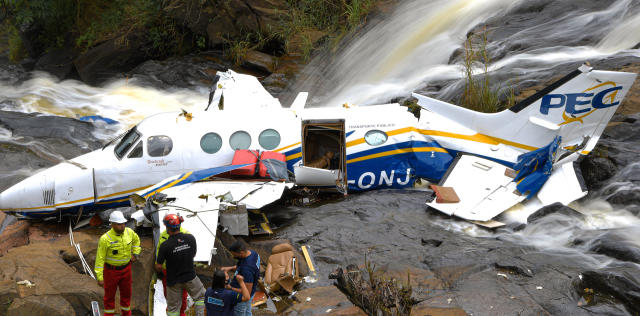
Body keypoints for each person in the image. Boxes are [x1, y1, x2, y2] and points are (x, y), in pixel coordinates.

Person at [155, 214, 206, 316]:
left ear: (167, 227)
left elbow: (159, 266)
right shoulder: (190, 238)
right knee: (200, 297)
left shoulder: (165, 245)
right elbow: (193, 254)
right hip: (190, 277)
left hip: (173, 280)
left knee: (173, 309)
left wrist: (159, 273)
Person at [94, 210, 141, 316]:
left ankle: (126, 314)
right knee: (109, 297)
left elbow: (136, 240)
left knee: (126, 295)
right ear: (112, 224)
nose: (122, 226)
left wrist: (135, 254)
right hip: (111, 272)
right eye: (119, 224)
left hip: (126, 269)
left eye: (123, 223)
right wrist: (100, 277)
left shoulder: (129, 232)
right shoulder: (105, 239)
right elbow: (100, 258)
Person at [157, 218, 190, 316]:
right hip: (167, 271)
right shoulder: (163, 235)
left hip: (180, 271)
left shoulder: (186, 235)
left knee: (182, 296)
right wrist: (159, 266)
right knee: (169, 295)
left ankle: (180, 313)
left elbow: (189, 253)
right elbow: (159, 250)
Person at [221, 241, 260, 316]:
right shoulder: (253, 253)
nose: (233, 255)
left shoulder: (247, 269)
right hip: (251, 292)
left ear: (241, 252)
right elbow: (241, 266)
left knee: (239, 313)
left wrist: (230, 288)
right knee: (248, 312)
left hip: (242, 297)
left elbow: (247, 293)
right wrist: (229, 268)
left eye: (234, 254)